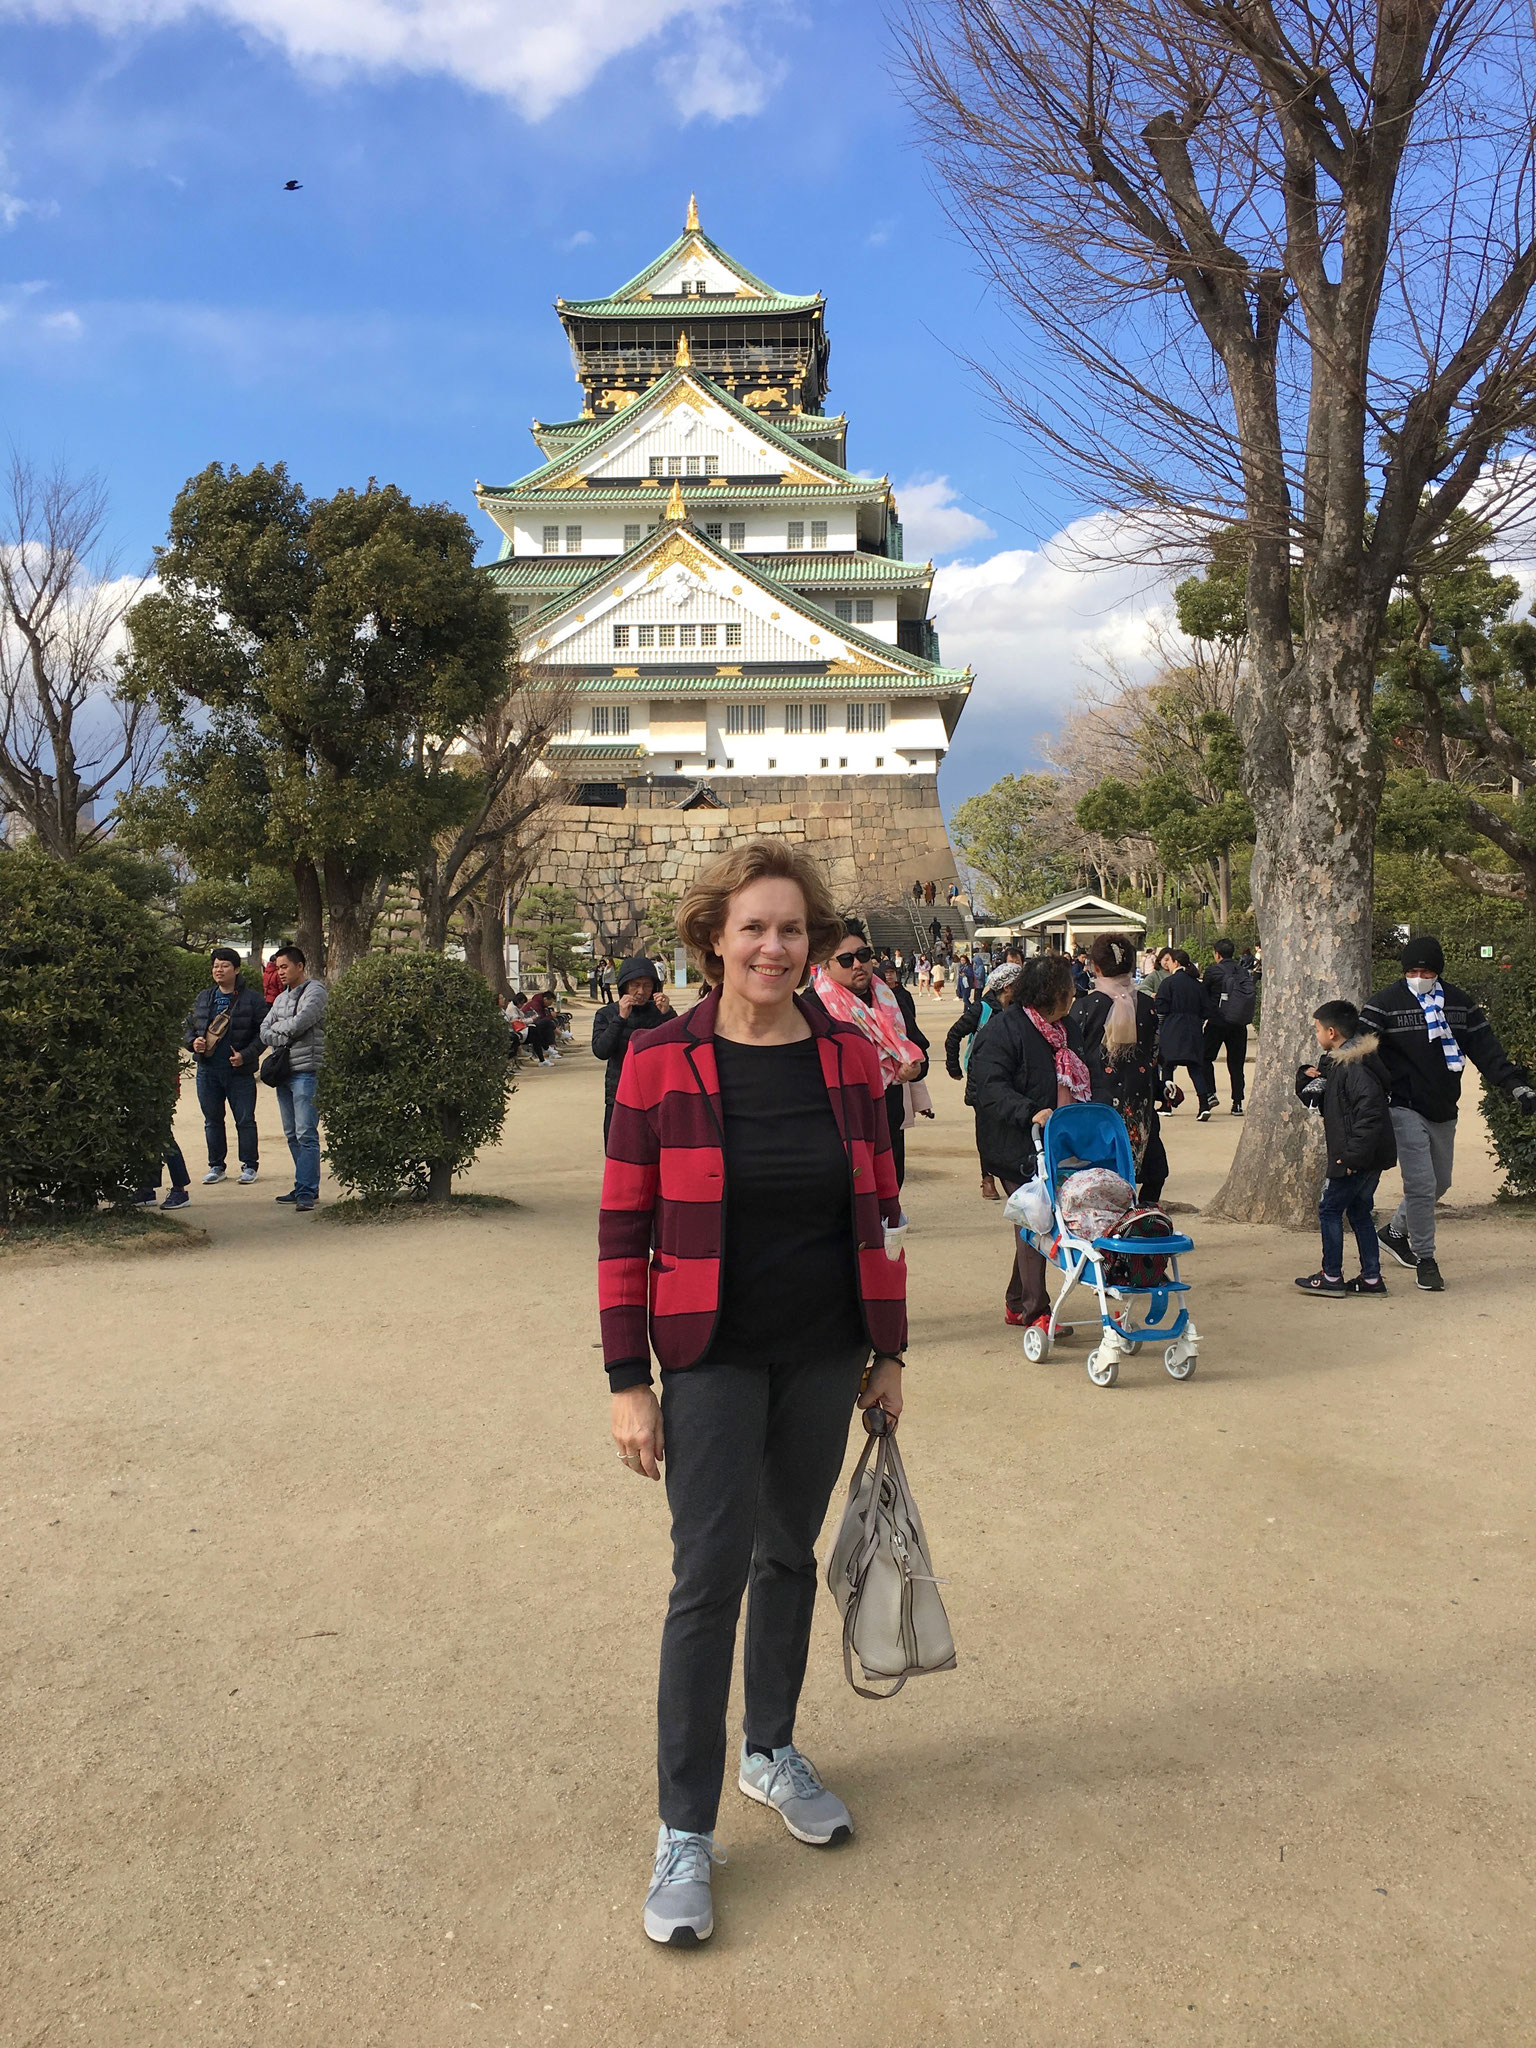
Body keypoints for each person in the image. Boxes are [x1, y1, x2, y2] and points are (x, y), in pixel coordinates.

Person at [601, 838, 906, 1949]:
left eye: (793, 930)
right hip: (709, 1353)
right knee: (707, 1572)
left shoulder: (850, 1061)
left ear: (815, 944)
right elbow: (622, 1225)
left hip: (824, 1348)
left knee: (789, 1552)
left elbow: (880, 1209)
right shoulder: (656, 1059)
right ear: (712, 938)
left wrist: (891, 1349)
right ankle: (686, 1826)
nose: (773, 947)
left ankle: (768, 1747)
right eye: (753, 928)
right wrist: (627, 1380)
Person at [1361, 936, 1535, 1290]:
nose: (1419, 975)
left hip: (1443, 1106)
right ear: (1404, 971)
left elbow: (1485, 1049)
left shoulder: (1459, 1003)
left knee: (1441, 1182)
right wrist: (1324, 1075)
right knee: (1422, 1185)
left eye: (1426, 970)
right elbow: (1357, 1048)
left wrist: (1516, 1085)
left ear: (1438, 971)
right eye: (1413, 970)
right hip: (1403, 1105)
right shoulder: (1385, 1004)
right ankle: (1426, 1258)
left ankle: (1395, 1231)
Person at [967, 951, 1090, 1333]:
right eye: (1068, 988)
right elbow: (985, 1087)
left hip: (1059, 1143)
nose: (1073, 994)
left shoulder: (1068, 1027)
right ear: (1048, 992)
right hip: (1015, 1144)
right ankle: (1037, 1310)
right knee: (1038, 1220)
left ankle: (1017, 1300)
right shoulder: (1005, 1030)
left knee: (1032, 1220)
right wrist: (1028, 1111)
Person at [809, 919, 927, 1189]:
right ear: (825, 966)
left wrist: (914, 1068)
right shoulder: (811, 1009)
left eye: (863, 955)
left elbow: (918, 1048)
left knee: (888, 1201)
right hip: (838, 1128)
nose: (858, 964)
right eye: (846, 959)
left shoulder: (890, 999)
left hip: (887, 1121)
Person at [1293, 1000, 1398, 1297]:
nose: (1316, 1036)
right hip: (1366, 1154)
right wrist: (1306, 1075)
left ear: (1331, 1031)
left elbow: (1371, 1113)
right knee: (1360, 1212)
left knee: (1329, 1210)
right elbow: (1317, 1096)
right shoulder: (1343, 1063)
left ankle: (1332, 1275)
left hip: (1356, 1155)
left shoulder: (1355, 1069)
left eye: (1316, 1030)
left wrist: (1352, 1157)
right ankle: (1372, 1278)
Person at [1071, 932, 1168, 1205]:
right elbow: (1154, 1053)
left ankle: (1109, 1223)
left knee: (1102, 1170)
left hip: (1098, 1103)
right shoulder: (1147, 1006)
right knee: (1151, 1166)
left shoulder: (1084, 1008)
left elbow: (1073, 1057)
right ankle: (1143, 1215)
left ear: (1095, 967)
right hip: (1140, 1101)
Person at [184, 947, 267, 1186]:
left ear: (237, 969)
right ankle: (216, 1166)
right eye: (215, 966)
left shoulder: (252, 1000)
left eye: (225, 965)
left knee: (245, 1120)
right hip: (208, 1069)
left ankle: (249, 1165)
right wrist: (193, 1042)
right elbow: (189, 1027)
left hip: (239, 1071)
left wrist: (245, 1055)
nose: (219, 970)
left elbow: (263, 1034)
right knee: (212, 1119)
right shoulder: (203, 997)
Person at [258, 945, 327, 1212]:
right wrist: (280, 1032)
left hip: (306, 1071)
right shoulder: (279, 999)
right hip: (284, 1073)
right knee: (291, 1134)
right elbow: (264, 1031)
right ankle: (304, 1184)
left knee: (306, 1132)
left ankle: (307, 1190)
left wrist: (279, 1029)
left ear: (300, 966)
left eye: (284, 967)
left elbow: (301, 1023)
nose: (280, 972)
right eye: (277, 968)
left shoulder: (315, 991)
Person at [949, 960, 1021, 1201]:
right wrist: (954, 1067)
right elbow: (954, 1035)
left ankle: (1007, 1175)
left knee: (1006, 1127)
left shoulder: (1019, 1009)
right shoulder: (981, 1009)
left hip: (1009, 1078)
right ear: (1009, 987)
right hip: (981, 1078)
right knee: (986, 1128)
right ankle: (987, 1178)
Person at [591, 955, 674, 1142]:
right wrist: (620, 1018)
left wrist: (668, 1016)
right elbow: (601, 1051)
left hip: (657, 1095)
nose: (641, 991)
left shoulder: (661, 1010)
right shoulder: (607, 1014)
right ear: (624, 986)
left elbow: (678, 1051)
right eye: (635, 985)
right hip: (619, 1093)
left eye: (647, 985)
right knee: (618, 1153)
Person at [1200, 938, 1255, 1115]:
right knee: (1236, 1064)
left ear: (1217, 954)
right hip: (1239, 1023)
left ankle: (1210, 1093)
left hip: (1217, 1021)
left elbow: (1204, 995)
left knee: (1205, 1057)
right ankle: (1237, 1102)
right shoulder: (1243, 971)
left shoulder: (1213, 971)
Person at [1155, 950, 1213, 1116]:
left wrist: (1159, 1029)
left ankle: (1167, 1104)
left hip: (1172, 1028)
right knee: (1195, 1068)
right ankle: (1204, 1105)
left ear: (1175, 962)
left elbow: (1161, 1008)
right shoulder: (1197, 984)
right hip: (1193, 1029)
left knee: (1167, 1066)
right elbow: (1206, 1010)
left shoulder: (1169, 983)